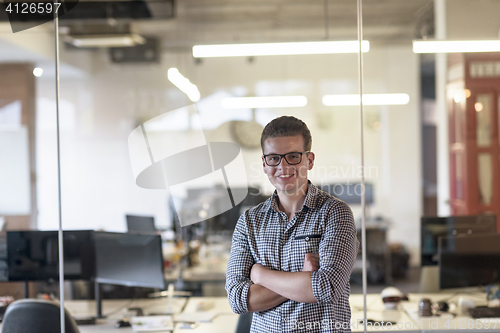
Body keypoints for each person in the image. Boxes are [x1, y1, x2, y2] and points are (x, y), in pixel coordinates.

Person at [226, 116, 359, 332]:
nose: (283, 166)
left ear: (310, 160)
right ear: (264, 163)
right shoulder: (249, 221)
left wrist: (261, 275)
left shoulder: (335, 213)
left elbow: (327, 288)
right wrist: (304, 279)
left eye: (293, 156)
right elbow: (238, 300)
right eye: (273, 158)